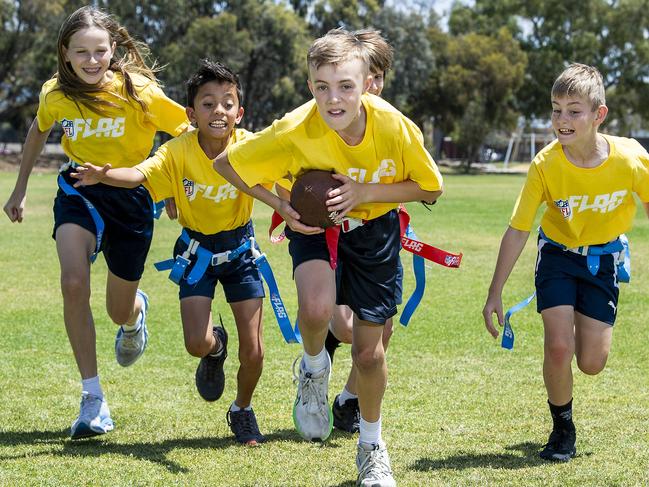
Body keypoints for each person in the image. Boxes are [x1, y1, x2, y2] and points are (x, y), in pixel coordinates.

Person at [214, 28, 443, 487]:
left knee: (369, 353)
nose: (332, 99)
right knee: (316, 310)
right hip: (317, 228)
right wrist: (281, 207)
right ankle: (314, 369)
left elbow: (430, 186)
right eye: (321, 87)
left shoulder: (394, 126)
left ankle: (372, 447)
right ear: (309, 86)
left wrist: (366, 192)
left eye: (345, 87)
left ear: (367, 84)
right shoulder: (296, 128)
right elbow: (227, 164)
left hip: (375, 231)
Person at [2, 6, 190, 439]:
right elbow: (38, 130)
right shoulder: (55, 94)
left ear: (114, 50)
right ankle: (93, 399)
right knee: (73, 282)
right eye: (81, 52)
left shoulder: (139, 90)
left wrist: (174, 185)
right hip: (78, 191)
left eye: (100, 51)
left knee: (116, 309)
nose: (91, 60)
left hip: (132, 195)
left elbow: (186, 131)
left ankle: (134, 314)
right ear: (65, 53)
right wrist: (20, 188)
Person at [71, 59, 267, 446]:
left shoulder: (252, 147)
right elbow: (141, 174)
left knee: (255, 351)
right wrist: (105, 174)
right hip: (195, 254)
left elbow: (289, 170)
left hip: (242, 252)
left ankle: (242, 409)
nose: (219, 111)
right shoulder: (177, 151)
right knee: (197, 344)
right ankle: (216, 347)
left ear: (239, 112)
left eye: (227, 103)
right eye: (208, 104)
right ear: (191, 114)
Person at [482, 63, 649, 462]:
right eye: (556, 109)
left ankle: (585, 322)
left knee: (591, 362)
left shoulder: (631, 159)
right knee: (558, 347)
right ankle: (562, 428)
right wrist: (494, 291)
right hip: (557, 255)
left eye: (574, 110)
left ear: (598, 115)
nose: (562, 119)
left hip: (603, 260)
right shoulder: (545, 164)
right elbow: (519, 229)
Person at [323, 29, 398, 436]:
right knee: (348, 328)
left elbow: (419, 179)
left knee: (381, 331)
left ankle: (349, 399)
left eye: (379, 76)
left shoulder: (391, 124)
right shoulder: (327, 117)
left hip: (379, 233)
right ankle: (321, 357)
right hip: (332, 233)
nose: (374, 84)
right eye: (368, 75)